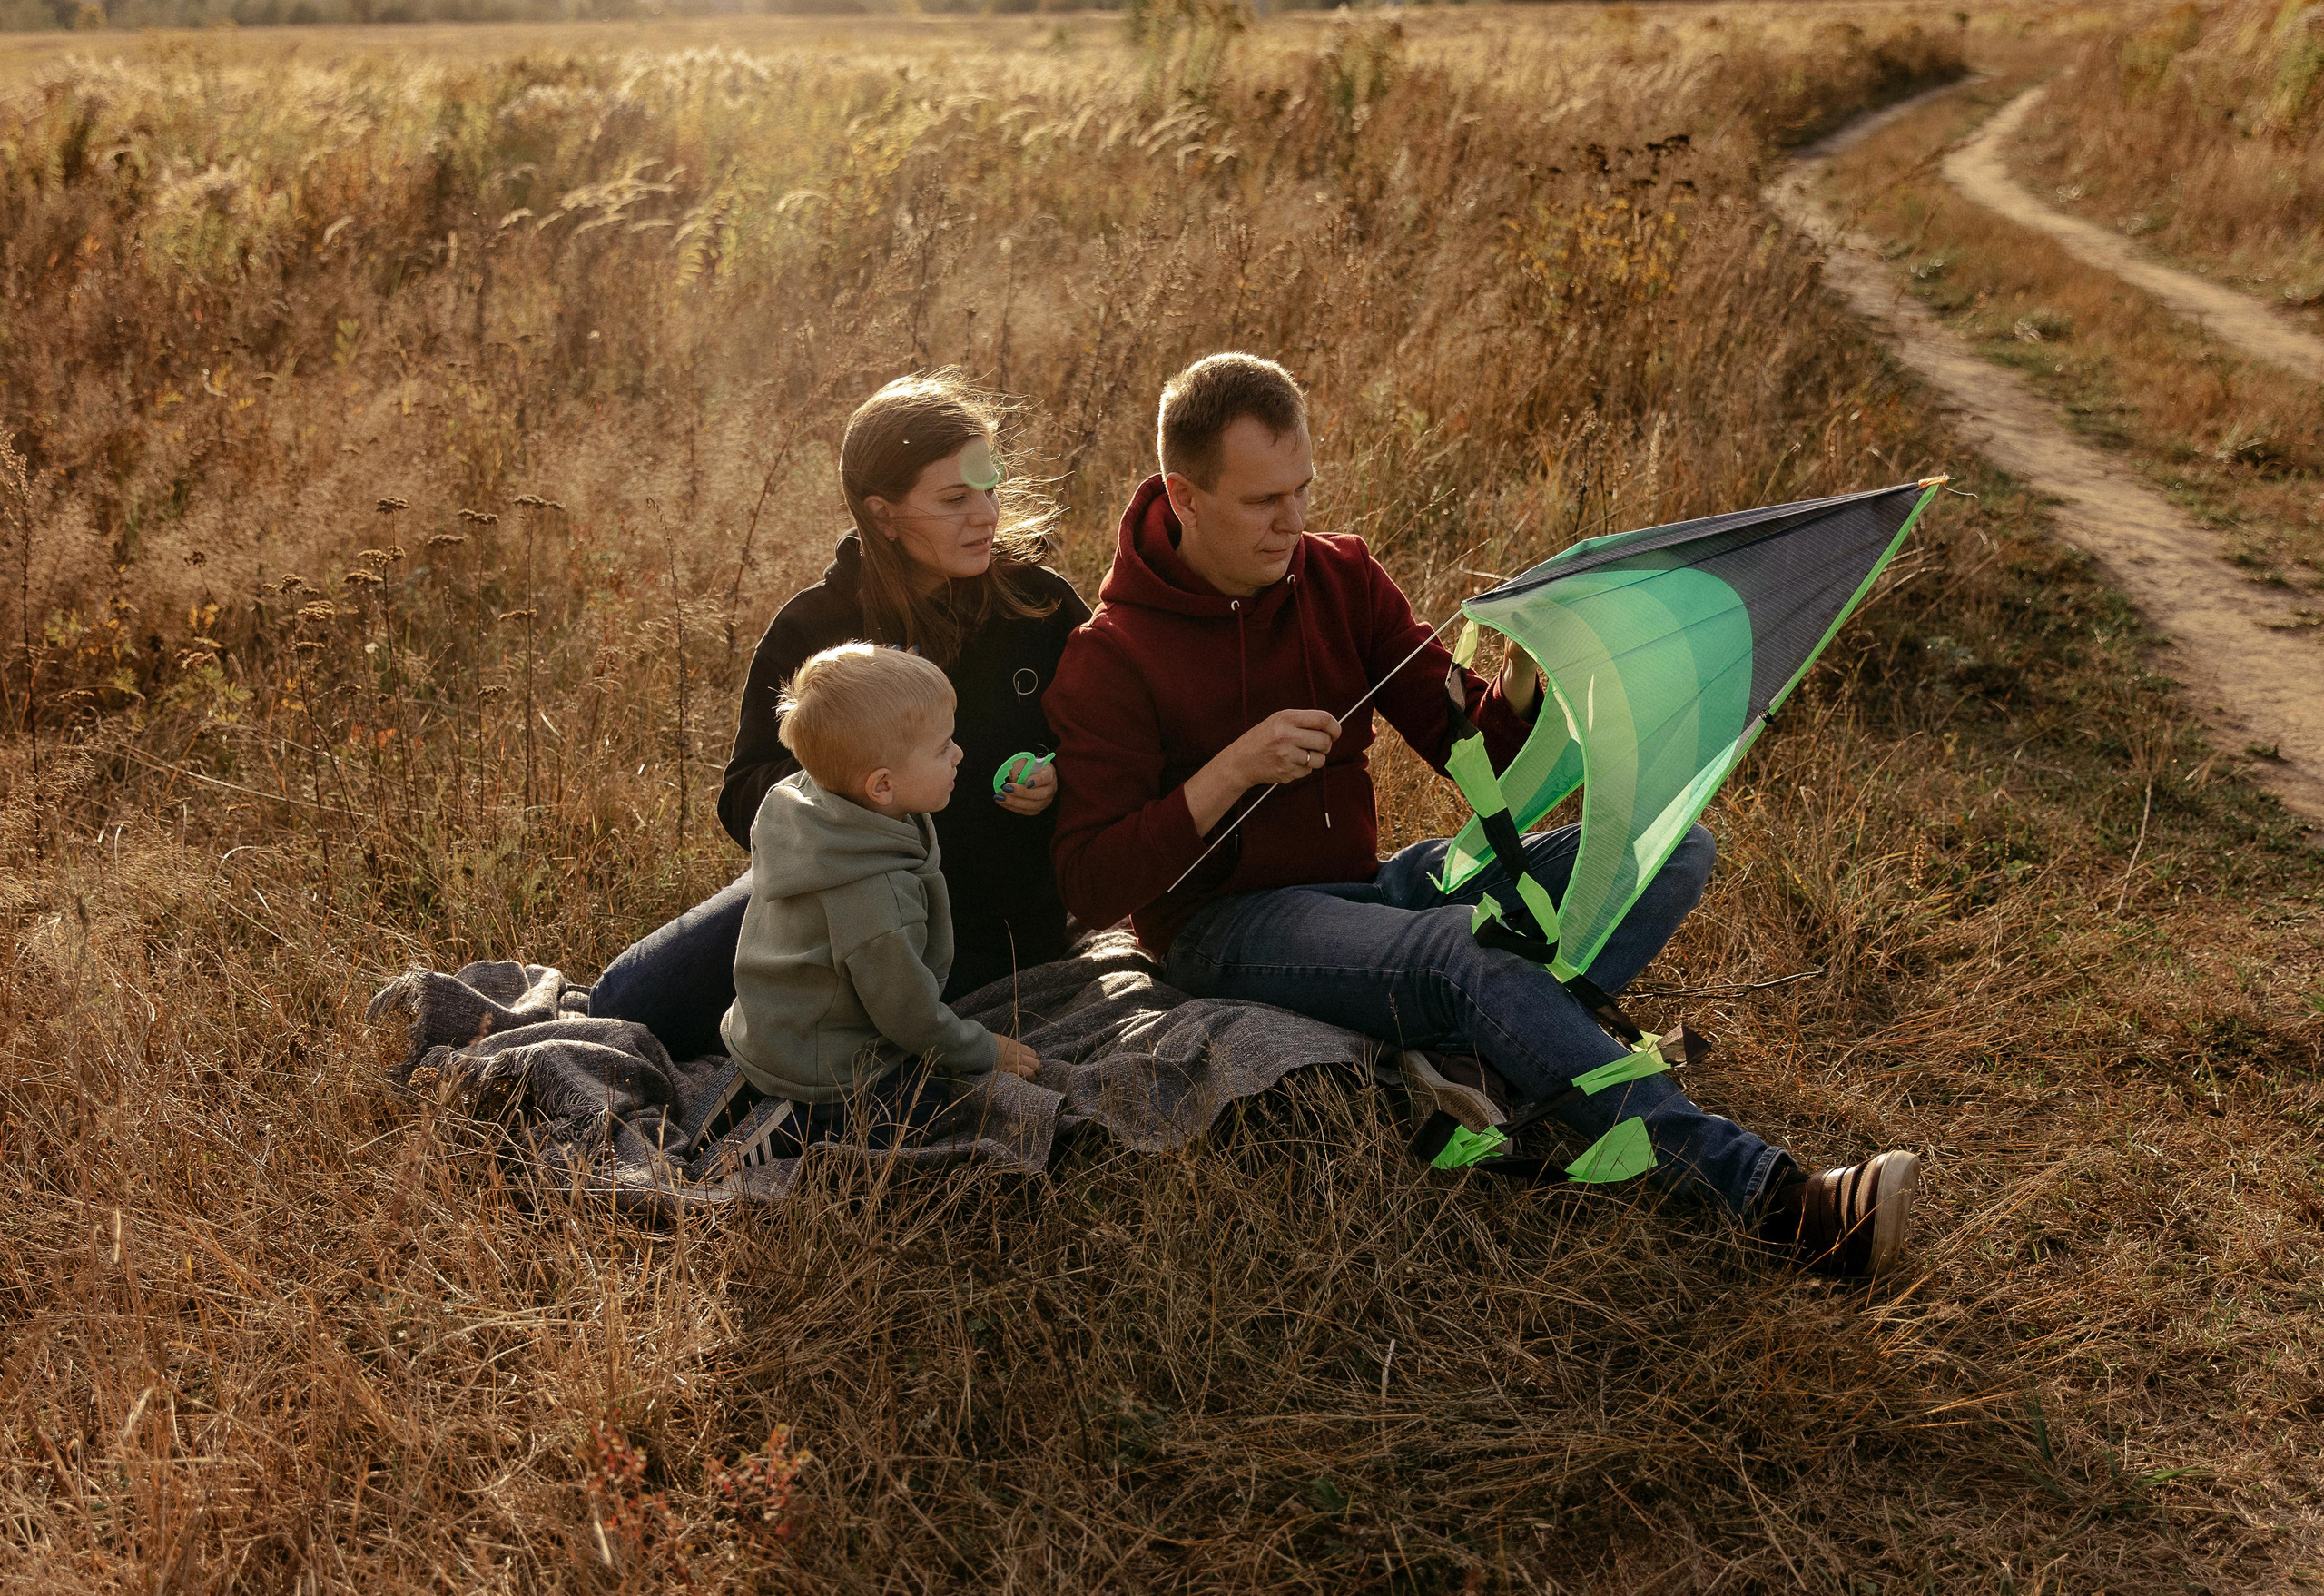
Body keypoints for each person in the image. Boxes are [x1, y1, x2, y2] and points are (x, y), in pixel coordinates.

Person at [1045, 352, 1921, 1279]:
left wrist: (1527, 678)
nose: (1293, 523)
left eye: (1303, 490)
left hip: (1366, 892)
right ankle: (1775, 1201)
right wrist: (1229, 772)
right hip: (1226, 929)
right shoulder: (1109, 656)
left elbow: (1476, 750)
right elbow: (1093, 884)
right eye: (1264, 501)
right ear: (1183, 496)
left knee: (1666, 853)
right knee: (1472, 952)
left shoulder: (1338, 575)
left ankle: (1484, 1067)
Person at [591, 373, 1089, 1062]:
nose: (986, 516)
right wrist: (855, 798)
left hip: (995, 919)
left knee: (882, 1045)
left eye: (990, 489)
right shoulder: (816, 627)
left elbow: (1114, 743)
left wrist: (1060, 780)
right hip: (830, 899)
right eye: (954, 499)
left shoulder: (1038, 605)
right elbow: (742, 794)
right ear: (883, 514)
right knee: (629, 1007)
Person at [717, 644, 1039, 1142]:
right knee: (928, 1108)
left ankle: (756, 1084)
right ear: (882, 786)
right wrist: (985, 1050)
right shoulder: (875, 897)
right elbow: (909, 1016)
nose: (959, 754)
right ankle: (786, 1127)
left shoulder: (810, 806)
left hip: (771, 1028)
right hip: (828, 1066)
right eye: (942, 748)